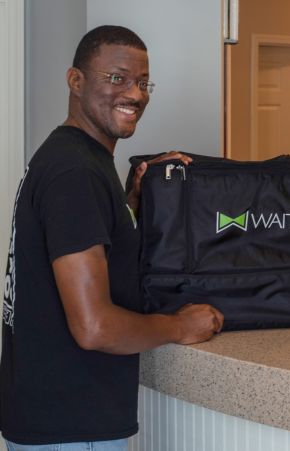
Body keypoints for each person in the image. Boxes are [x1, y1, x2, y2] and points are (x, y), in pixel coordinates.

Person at [1, 25, 224, 450]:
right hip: (72, 428)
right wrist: (179, 326)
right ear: (76, 80)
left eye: (143, 82)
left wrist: (131, 201)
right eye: (117, 78)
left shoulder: (75, 156)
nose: (135, 94)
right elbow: (94, 328)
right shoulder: (76, 173)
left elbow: (88, 242)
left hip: (52, 419)